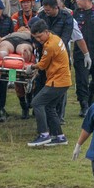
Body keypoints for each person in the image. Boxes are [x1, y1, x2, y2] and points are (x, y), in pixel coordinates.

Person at [26, 19, 71, 147]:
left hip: (57, 81)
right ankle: (59, 137)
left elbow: (43, 64)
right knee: (50, 107)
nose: (39, 40)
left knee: (36, 102)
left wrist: (32, 67)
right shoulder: (55, 38)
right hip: (63, 80)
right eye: (36, 38)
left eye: (40, 37)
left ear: (46, 32)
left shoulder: (50, 45)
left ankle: (43, 134)